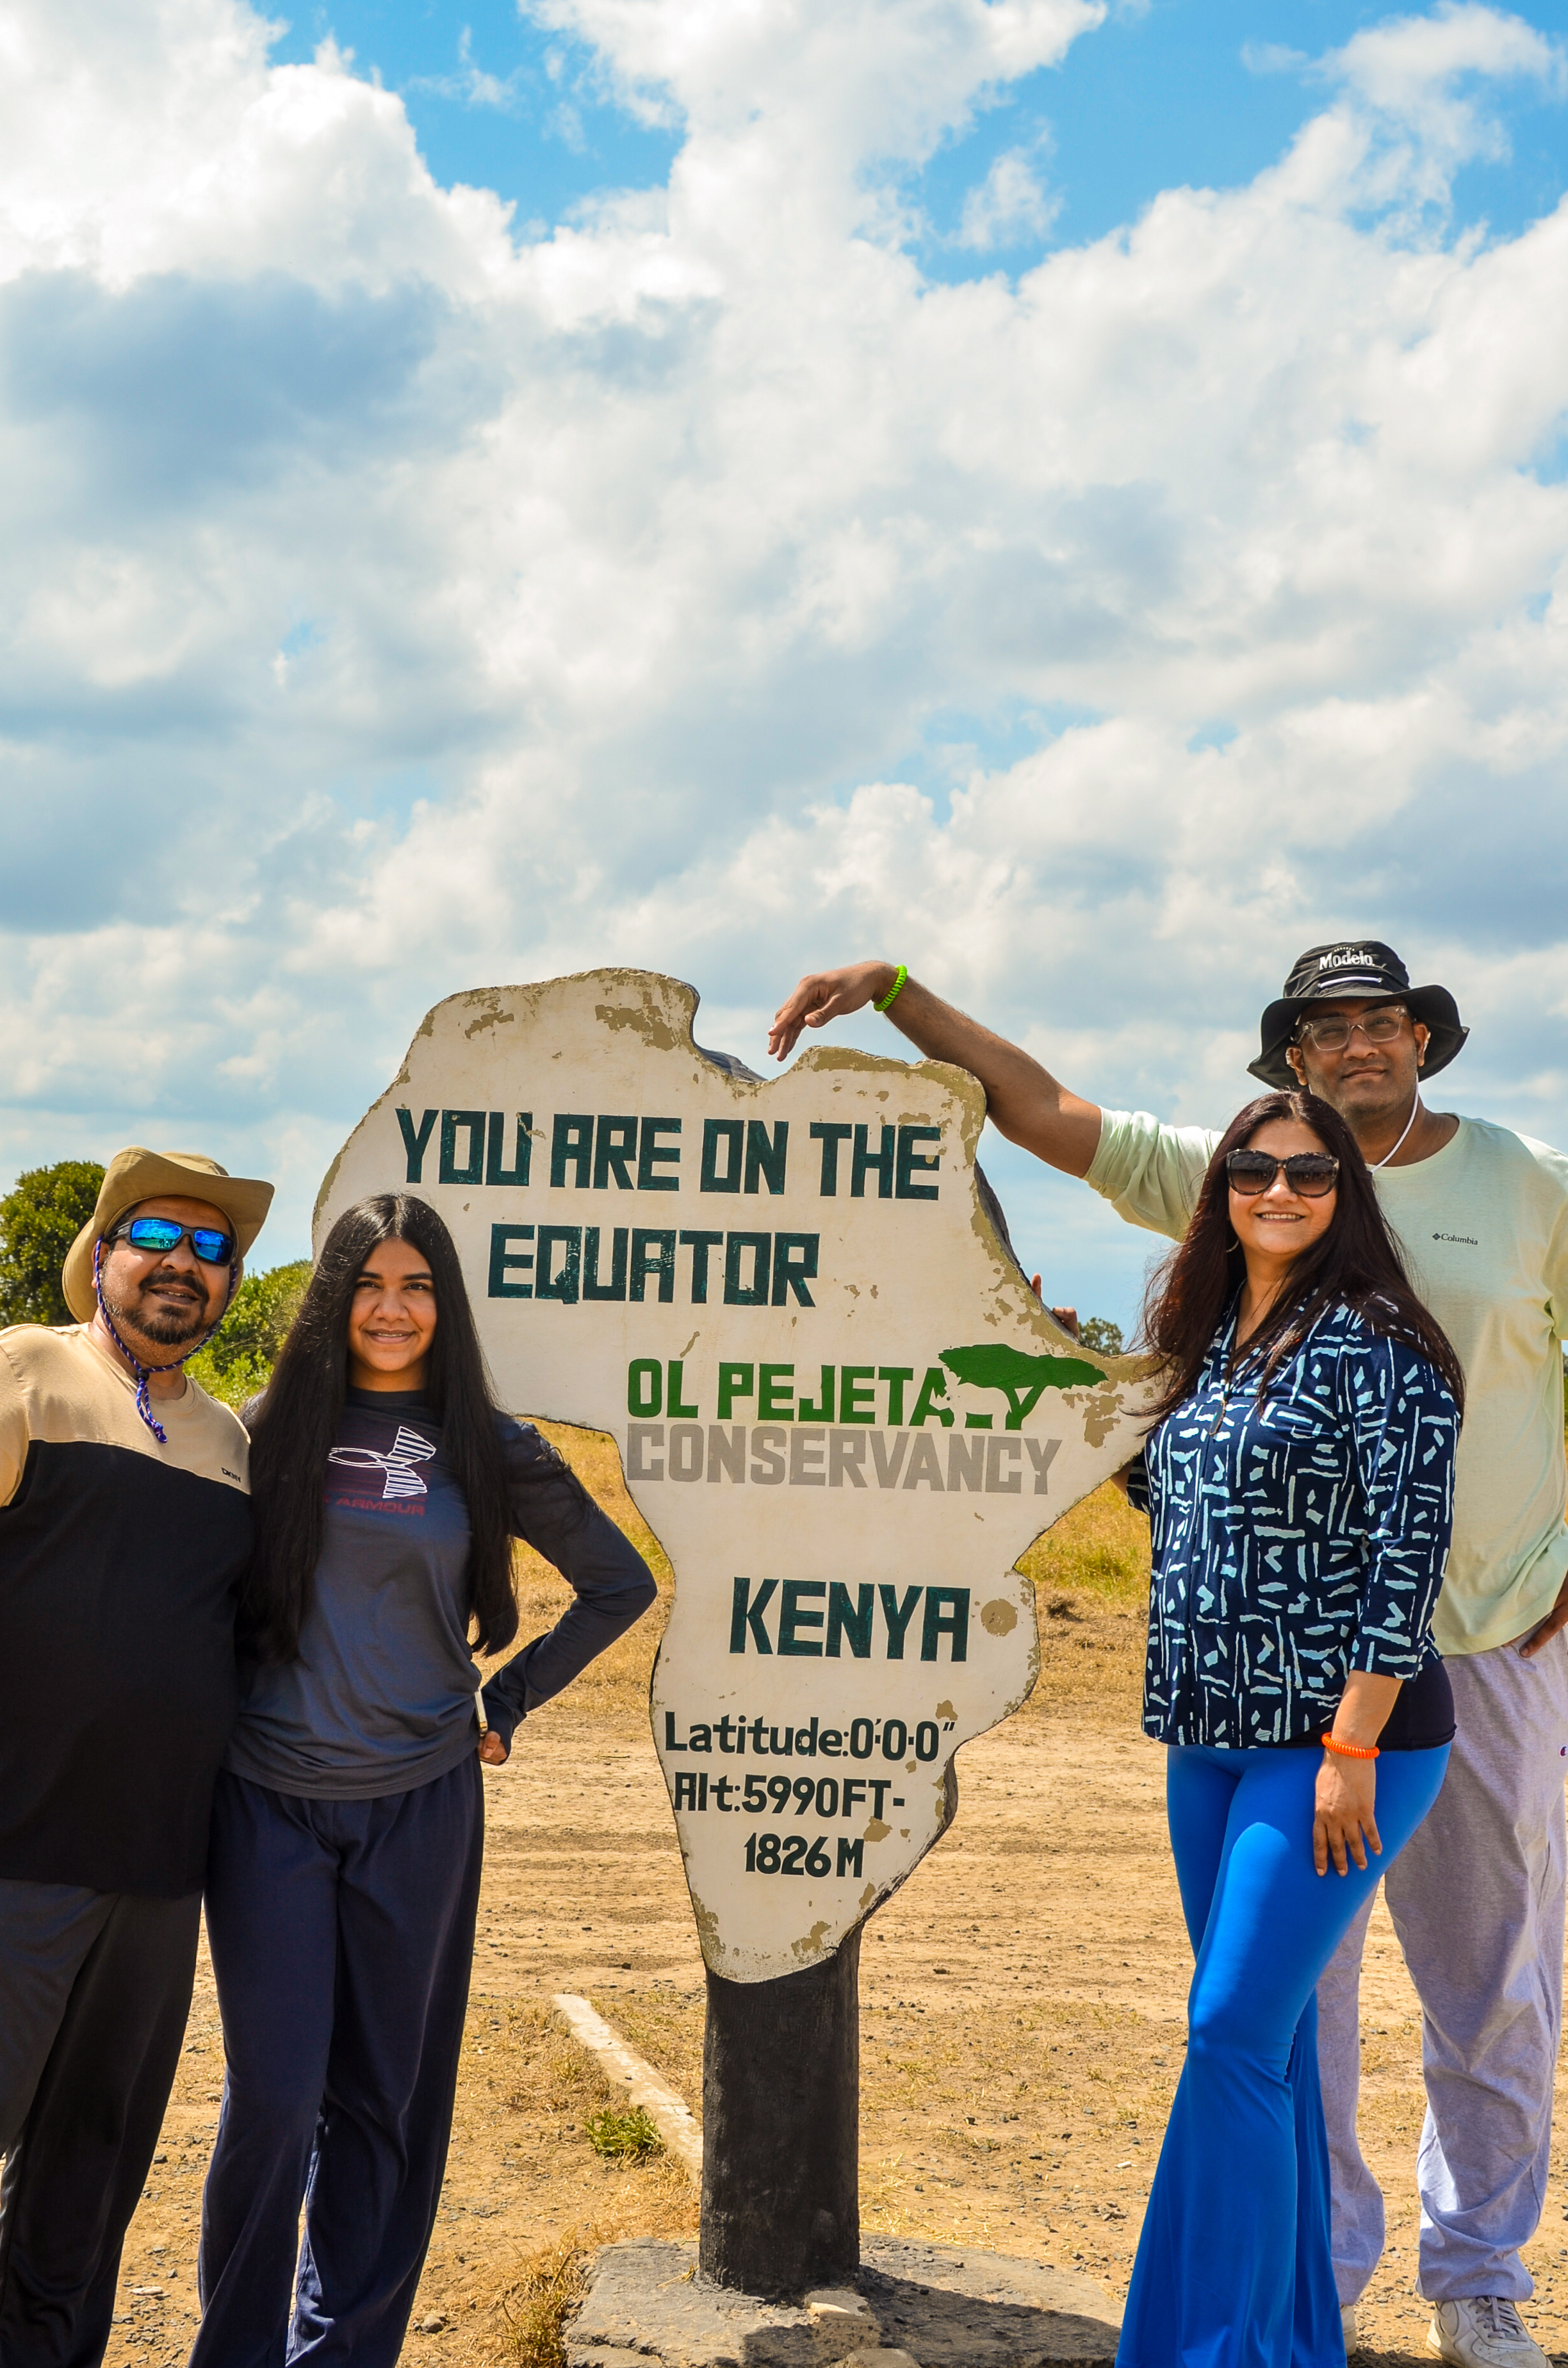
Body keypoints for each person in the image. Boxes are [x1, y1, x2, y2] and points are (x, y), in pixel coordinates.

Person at [769, 944, 1568, 2367]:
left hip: (1475, 1647)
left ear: (1424, 1042)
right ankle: (1298, 2293)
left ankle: (1476, 2277)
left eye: (1386, 1020)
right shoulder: (1238, 1212)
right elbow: (1047, 1111)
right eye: (1332, 1028)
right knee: (1274, 2023)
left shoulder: (1517, 1186)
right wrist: (899, 995)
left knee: (1486, 1983)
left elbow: (1408, 1540)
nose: (1362, 1044)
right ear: (1293, 1066)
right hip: (1237, 1718)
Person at [190, 1192, 657, 2368]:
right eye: (369, 1285)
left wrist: (504, 1703)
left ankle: (342, 2352)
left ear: (444, 1307)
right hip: (269, 1804)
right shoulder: (261, 1435)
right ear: (333, 1299)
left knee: (387, 2100)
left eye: (417, 1288)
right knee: (276, 2100)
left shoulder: (488, 1445)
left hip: (420, 1807)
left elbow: (618, 1584)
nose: (391, 1309)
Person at [1115, 1087, 1461, 2366]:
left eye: (1308, 1172)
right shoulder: (1206, 1340)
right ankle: (1290, 2336)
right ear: (1222, 1188)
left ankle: (1214, 2351)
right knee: (1256, 2046)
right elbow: (1159, 1490)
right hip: (1204, 1737)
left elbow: (1405, 1563)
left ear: (1344, 1191)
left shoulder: (1387, 1347)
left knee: (1230, 2034)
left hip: (1341, 1743)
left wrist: (1352, 1751)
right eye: (1253, 1170)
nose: (1279, 1190)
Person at [0, 1146, 274, 2365]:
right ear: (100, 1256)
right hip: (15, 1854)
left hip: (161, 1878)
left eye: (214, 1249)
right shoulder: (24, 1371)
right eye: (156, 1238)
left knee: (88, 2183)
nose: (185, 1266)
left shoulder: (231, 1444)